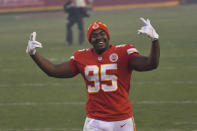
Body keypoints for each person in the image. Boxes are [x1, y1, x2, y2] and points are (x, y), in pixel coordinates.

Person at [26, 18, 160, 131]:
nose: (99, 37)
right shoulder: (81, 56)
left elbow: (151, 64)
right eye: (94, 35)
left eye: (102, 33)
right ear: (90, 39)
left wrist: (154, 40)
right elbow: (53, 71)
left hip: (122, 119)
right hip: (95, 120)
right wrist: (33, 54)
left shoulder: (123, 52)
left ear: (107, 35)